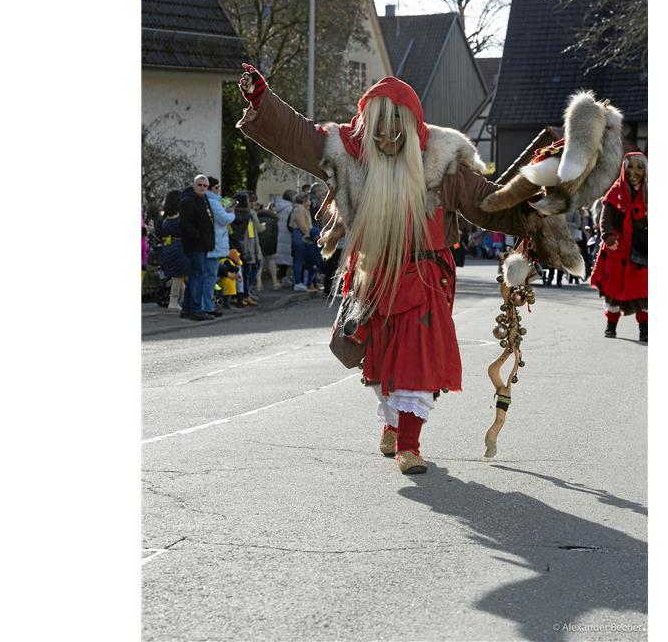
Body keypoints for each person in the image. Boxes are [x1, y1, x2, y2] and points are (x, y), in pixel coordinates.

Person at [236, 63, 550, 475]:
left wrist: (536, 208)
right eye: (377, 129)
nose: (385, 138)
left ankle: (408, 443)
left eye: (395, 129)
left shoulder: (440, 160)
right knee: (383, 360)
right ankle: (392, 423)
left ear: (411, 126)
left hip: (425, 279)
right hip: (374, 278)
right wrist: (262, 98)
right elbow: (300, 135)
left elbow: (486, 201)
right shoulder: (348, 155)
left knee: (417, 362)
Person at [589, 152, 648, 342]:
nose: (634, 172)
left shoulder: (649, 193)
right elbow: (604, 219)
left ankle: (645, 330)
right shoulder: (615, 192)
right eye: (631, 167)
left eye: (639, 168)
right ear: (624, 169)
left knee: (643, 292)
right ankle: (611, 326)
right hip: (617, 249)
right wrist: (608, 236)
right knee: (613, 290)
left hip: (641, 250)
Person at [178, 175, 218, 321]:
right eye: (199, 185)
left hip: (202, 245)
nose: (202, 188)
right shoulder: (188, 201)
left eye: (205, 186)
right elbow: (185, 223)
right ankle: (195, 308)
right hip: (195, 245)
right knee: (197, 276)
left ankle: (187, 309)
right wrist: (198, 237)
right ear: (194, 185)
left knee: (196, 275)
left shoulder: (203, 199)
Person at [205, 176, 236, 316]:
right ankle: (208, 306)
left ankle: (207, 305)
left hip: (213, 243)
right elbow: (224, 219)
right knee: (210, 277)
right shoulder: (213, 201)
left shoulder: (212, 201)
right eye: (216, 187)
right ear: (211, 188)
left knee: (209, 276)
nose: (219, 190)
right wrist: (231, 211)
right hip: (215, 244)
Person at [159, 190, 191, 311]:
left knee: (177, 276)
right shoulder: (180, 217)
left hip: (168, 246)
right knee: (179, 275)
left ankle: (181, 300)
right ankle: (173, 301)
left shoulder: (165, 218)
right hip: (179, 247)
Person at [233, 191, 264, 303]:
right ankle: (244, 295)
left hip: (243, 246)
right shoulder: (247, 215)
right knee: (246, 273)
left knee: (244, 272)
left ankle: (243, 294)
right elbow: (250, 234)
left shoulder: (236, 214)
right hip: (246, 247)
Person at [288, 192, 314, 292]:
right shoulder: (299, 209)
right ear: (304, 201)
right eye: (308, 200)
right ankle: (297, 282)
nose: (310, 202)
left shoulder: (303, 209)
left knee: (301, 259)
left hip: (301, 234)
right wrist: (309, 235)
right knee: (298, 259)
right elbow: (302, 225)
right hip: (300, 235)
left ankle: (300, 281)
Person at [273, 190, 297, 285]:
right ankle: (285, 278)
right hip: (287, 235)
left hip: (279, 234)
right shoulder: (290, 208)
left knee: (281, 258)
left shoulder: (278, 206)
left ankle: (281, 278)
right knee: (287, 258)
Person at [257, 198, 280, 291]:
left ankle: (259, 283)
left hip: (259, 242)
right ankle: (275, 282)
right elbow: (275, 235)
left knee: (260, 263)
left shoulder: (257, 218)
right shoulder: (274, 220)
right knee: (271, 261)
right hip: (270, 243)